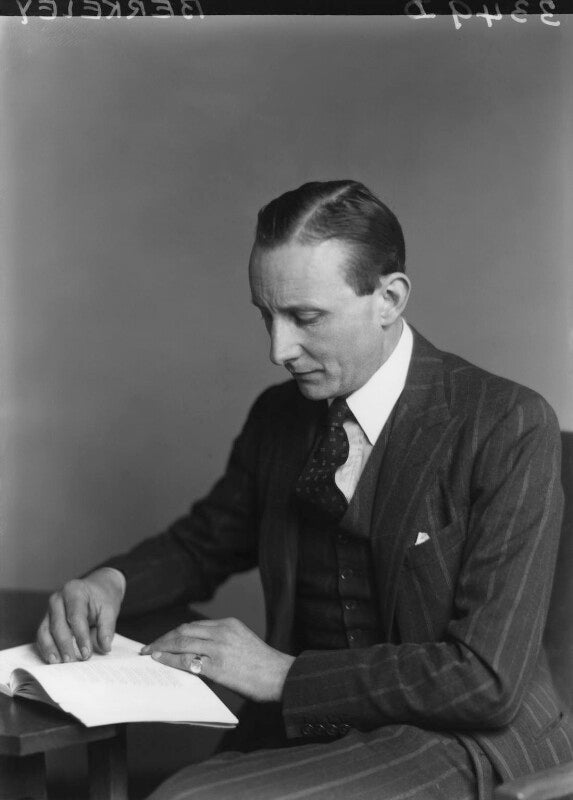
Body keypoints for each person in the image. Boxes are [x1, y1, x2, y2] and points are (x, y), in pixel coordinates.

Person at [36, 180, 573, 799]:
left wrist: (284, 675)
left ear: (389, 299)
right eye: (266, 315)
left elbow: (486, 679)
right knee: (179, 790)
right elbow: (202, 545)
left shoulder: (504, 424)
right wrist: (111, 582)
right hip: (317, 728)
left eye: (305, 318)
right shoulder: (279, 418)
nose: (278, 349)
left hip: (464, 738)